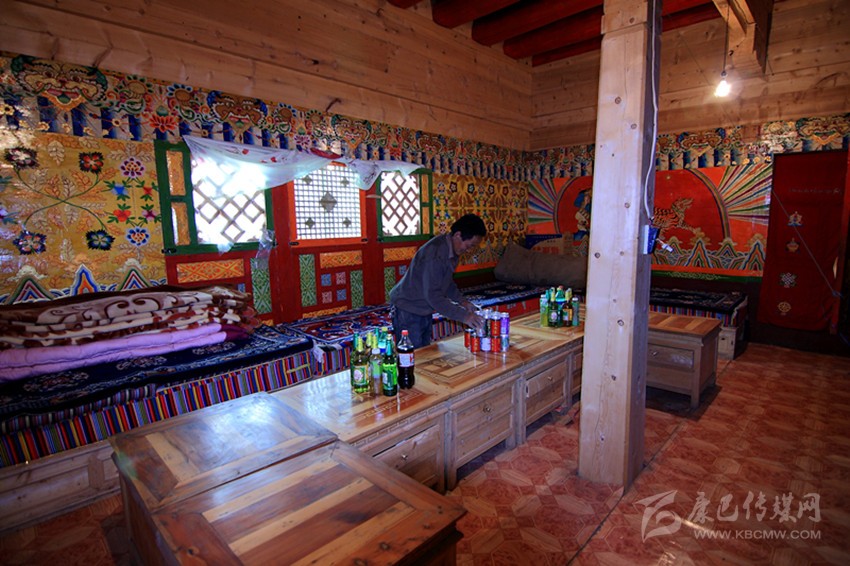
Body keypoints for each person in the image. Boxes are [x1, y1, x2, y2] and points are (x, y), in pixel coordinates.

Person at [390, 214, 487, 348]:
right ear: (458, 235)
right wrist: (465, 317)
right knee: (413, 355)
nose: (469, 250)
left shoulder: (452, 250)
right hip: (408, 308)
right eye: (469, 246)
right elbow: (433, 296)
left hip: (423, 308)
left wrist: (462, 301)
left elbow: (446, 282)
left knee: (425, 352)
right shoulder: (435, 253)